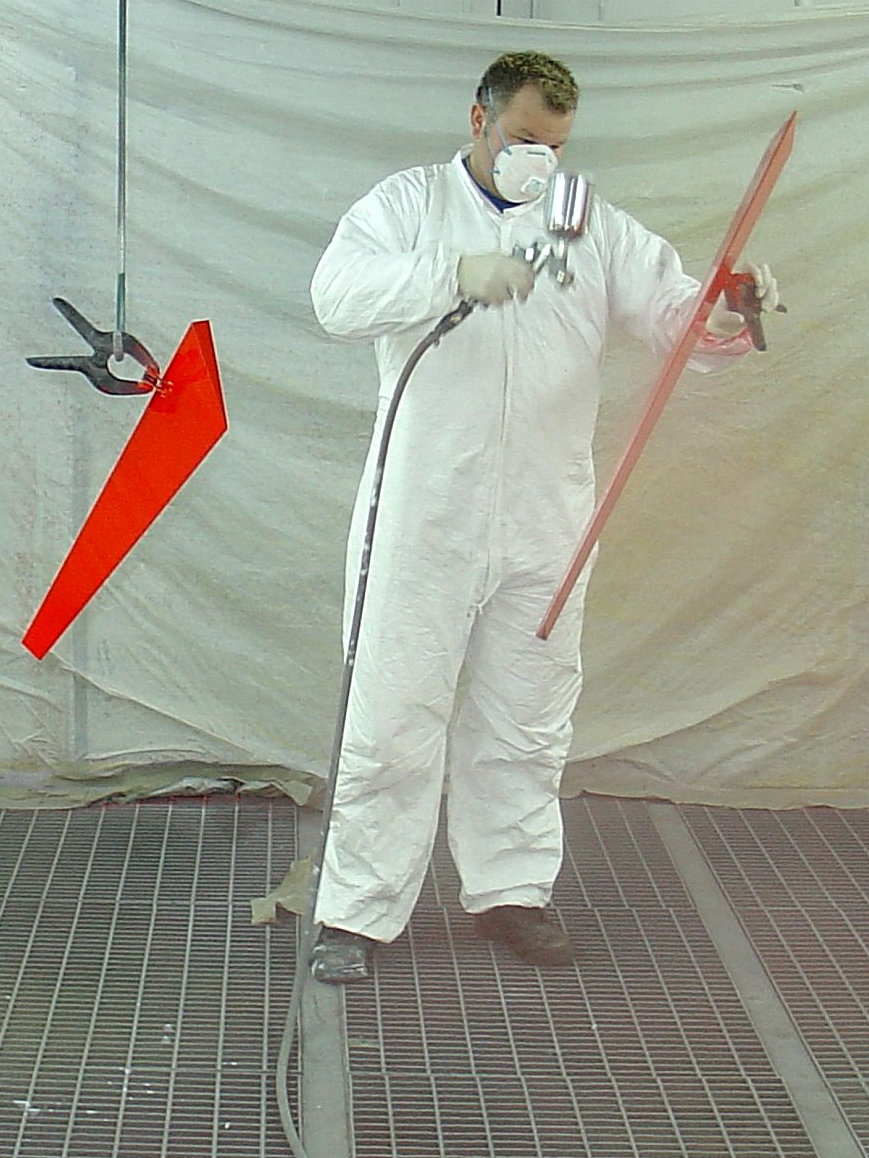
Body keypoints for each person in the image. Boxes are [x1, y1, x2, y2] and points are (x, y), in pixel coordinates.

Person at [307, 51, 778, 979]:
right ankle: (356, 912)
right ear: (479, 119)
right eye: (524, 139)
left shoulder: (582, 218)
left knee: (526, 714)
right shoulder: (407, 205)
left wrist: (725, 313)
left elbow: (672, 313)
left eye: (556, 146)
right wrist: (454, 274)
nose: (541, 161)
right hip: (424, 510)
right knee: (392, 714)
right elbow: (337, 298)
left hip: (546, 515)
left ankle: (511, 893)